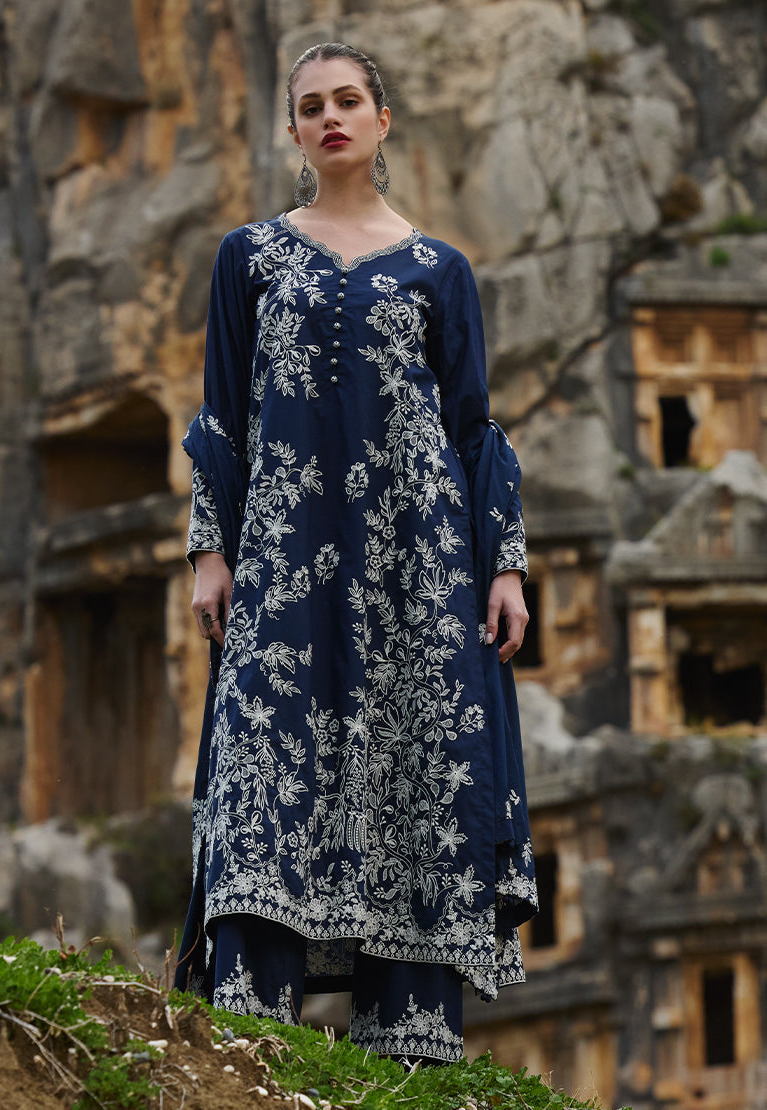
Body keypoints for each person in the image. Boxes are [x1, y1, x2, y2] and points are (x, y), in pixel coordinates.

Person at [174, 42, 537, 1063]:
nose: (329, 117)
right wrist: (210, 553)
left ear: (383, 118)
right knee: (262, 759)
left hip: (419, 571)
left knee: (418, 769)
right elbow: (223, 415)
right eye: (310, 106)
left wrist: (504, 566)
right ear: (293, 131)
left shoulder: (439, 270)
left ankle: (408, 1056)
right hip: (282, 563)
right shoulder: (249, 258)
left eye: (348, 100)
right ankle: (249, 1045)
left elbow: (472, 428)